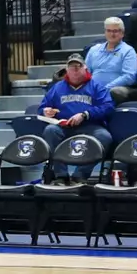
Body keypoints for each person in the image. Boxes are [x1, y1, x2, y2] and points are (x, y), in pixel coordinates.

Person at [36, 55, 114, 185]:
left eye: (78, 67)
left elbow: (108, 107)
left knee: (104, 137)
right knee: (50, 130)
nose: (75, 70)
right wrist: (45, 111)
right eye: (71, 67)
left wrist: (85, 114)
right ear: (67, 70)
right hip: (64, 126)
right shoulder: (57, 87)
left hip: (90, 126)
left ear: (86, 69)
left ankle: (80, 176)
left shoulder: (96, 86)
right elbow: (42, 108)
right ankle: (61, 176)